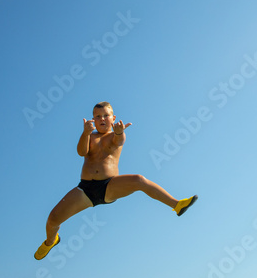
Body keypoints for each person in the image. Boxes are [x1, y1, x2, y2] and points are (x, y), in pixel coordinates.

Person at [34, 101, 197, 260]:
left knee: (139, 180)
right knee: (53, 218)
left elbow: (119, 141)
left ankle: (177, 205)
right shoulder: (90, 136)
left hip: (109, 186)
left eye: (106, 115)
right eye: (97, 116)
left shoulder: (115, 135)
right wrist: (85, 133)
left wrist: (119, 132)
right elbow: (81, 152)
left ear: (113, 118)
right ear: (93, 120)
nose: (102, 119)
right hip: (84, 190)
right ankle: (51, 241)